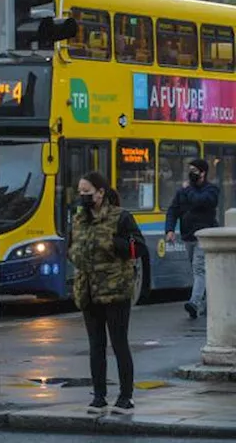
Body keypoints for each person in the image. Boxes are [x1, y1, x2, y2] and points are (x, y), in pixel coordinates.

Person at [68, 171, 145, 415]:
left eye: (87, 193)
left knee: (119, 343)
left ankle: (125, 397)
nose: (82, 197)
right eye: (79, 193)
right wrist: (73, 254)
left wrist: (114, 243)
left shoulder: (121, 217)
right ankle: (98, 397)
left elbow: (139, 248)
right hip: (88, 290)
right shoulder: (79, 218)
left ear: (101, 193)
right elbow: (72, 246)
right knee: (96, 346)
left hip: (115, 291)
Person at [165, 158, 219, 320]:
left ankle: (194, 303)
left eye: (195, 171)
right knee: (199, 271)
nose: (191, 174)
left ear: (203, 173)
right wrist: (169, 229)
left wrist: (188, 190)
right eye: (190, 170)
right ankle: (208, 302)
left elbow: (201, 201)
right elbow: (173, 210)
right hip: (188, 236)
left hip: (205, 237)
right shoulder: (182, 192)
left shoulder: (211, 190)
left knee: (199, 269)